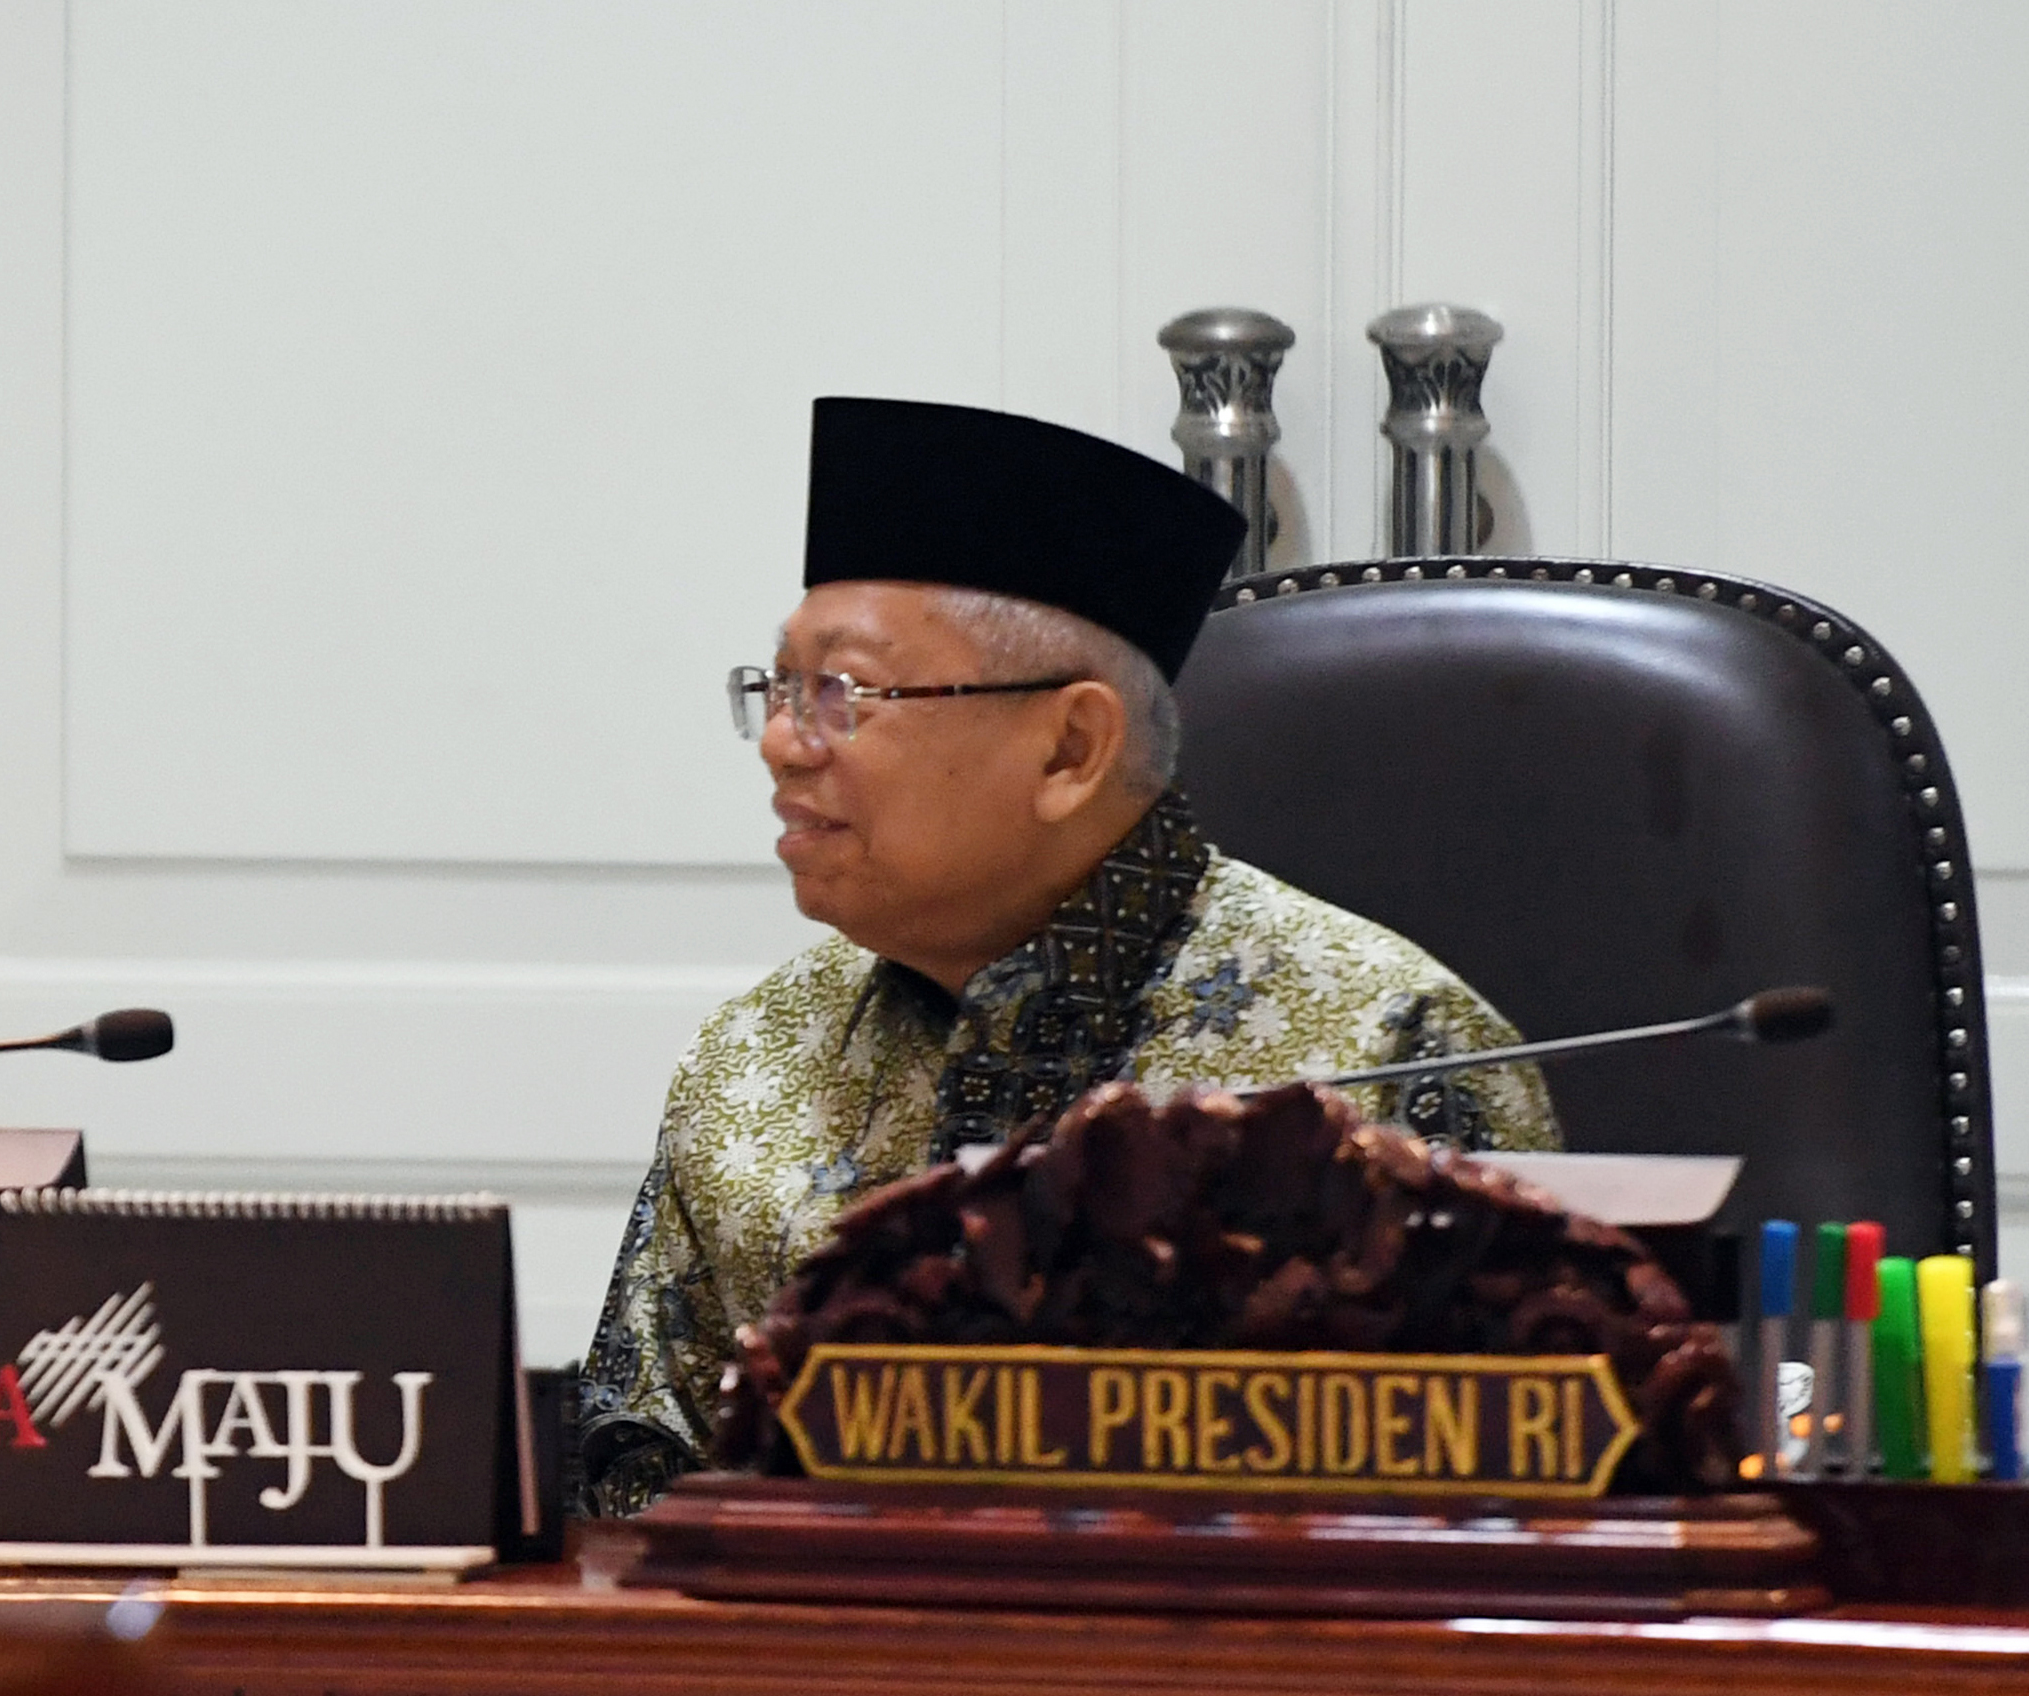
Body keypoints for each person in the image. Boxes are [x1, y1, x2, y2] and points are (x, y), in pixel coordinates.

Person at [573, 397, 1559, 1515]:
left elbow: (1514, 1514)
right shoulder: (753, 1060)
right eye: (779, 687)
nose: (779, 742)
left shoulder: (1384, 1045)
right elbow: (635, 1497)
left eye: (841, 693)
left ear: (1070, 748)